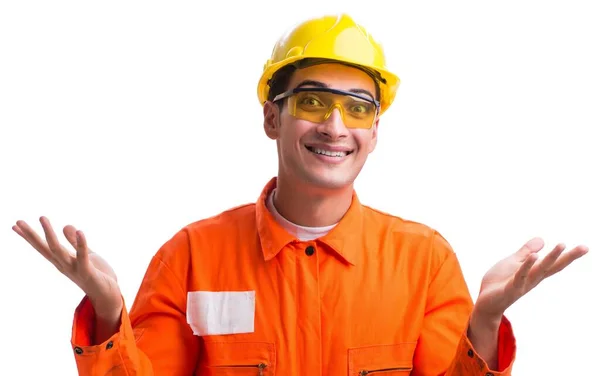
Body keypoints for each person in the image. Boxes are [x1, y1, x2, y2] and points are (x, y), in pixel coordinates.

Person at [13, 13, 588, 376]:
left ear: (375, 132)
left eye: (359, 108)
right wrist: (111, 313)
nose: (336, 126)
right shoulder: (192, 257)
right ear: (271, 117)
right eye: (313, 101)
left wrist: (484, 321)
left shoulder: (423, 262)